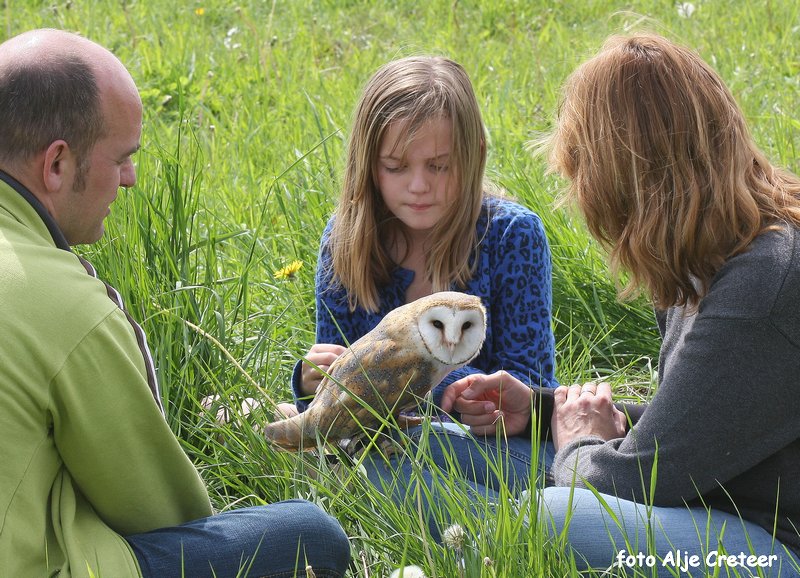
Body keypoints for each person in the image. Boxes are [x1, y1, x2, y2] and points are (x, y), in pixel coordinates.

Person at [443, 33, 800, 577]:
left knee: (550, 518)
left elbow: (643, 480)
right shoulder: (714, 254)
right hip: (727, 507)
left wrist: (580, 437)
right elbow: (710, 424)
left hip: (776, 551)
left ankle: (473, 543)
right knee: (474, 453)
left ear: (625, 182)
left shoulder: (759, 290)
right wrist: (542, 412)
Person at [0, 29, 350, 578]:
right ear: (57, 165)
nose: (130, 179)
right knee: (311, 535)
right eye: (121, 158)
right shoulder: (66, 305)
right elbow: (163, 514)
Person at [279, 55, 558, 538]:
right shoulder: (345, 242)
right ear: (368, 167)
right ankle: (518, 531)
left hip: (498, 451)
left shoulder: (512, 236)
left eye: (439, 166)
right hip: (384, 443)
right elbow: (338, 405)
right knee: (372, 453)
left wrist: (462, 395)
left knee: (375, 458)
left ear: (472, 157)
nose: (418, 185)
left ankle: (518, 524)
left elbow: (532, 385)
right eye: (395, 167)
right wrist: (311, 381)